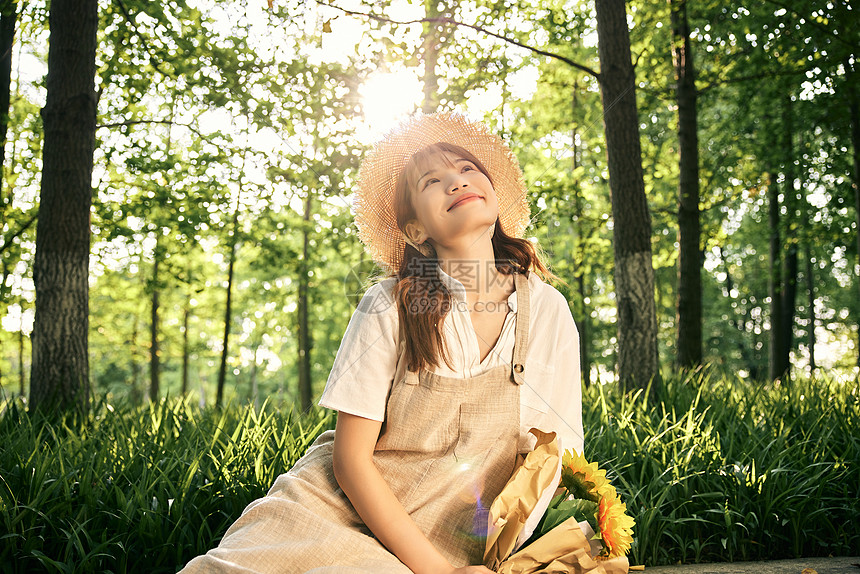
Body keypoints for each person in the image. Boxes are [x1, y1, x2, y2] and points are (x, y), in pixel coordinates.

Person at [179, 112, 583, 574]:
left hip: (454, 540)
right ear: (415, 232)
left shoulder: (548, 311)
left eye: (468, 169)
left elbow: (556, 459)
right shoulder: (389, 303)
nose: (456, 181)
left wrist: (502, 557)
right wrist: (439, 573)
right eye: (433, 180)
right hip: (335, 512)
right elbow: (350, 461)